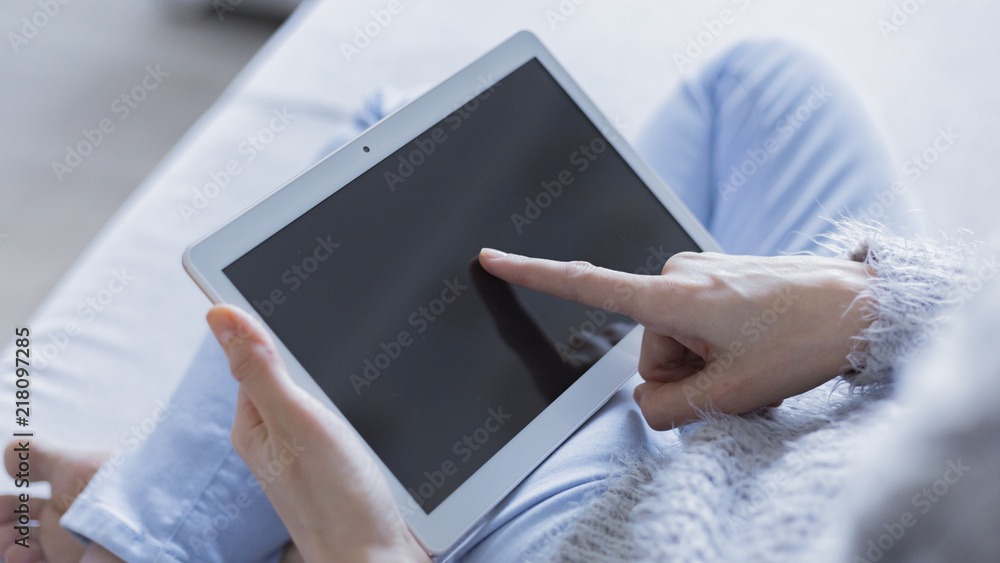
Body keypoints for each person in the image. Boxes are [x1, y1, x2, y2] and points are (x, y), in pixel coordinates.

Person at [0, 38, 935, 562]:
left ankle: (140, 543)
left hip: (666, 532)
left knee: (384, 175)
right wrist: (859, 305)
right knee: (764, 83)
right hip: (872, 411)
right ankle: (186, 519)